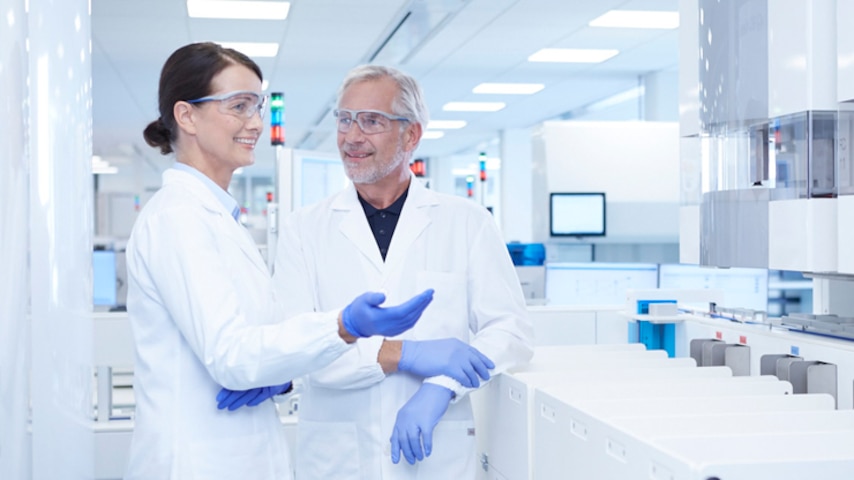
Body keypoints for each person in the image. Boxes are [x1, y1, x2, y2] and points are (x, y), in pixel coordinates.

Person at [124, 43, 434, 480]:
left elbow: (265, 336)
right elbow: (231, 355)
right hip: (196, 463)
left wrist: (284, 375)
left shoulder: (218, 218)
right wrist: (343, 325)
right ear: (186, 115)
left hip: (240, 456)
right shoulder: (178, 218)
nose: (256, 123)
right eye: (239, 106)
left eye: (257, 106)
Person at [272, 64, 534, 479]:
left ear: (411, 134)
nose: (352, 136)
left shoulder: (466, 222)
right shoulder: (303, 229)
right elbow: (299, 348)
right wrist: (405, 354)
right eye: (344, 119)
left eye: (371, 121)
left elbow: (510, 332)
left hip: (436, 453)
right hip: (338, 456)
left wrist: (442, 385)